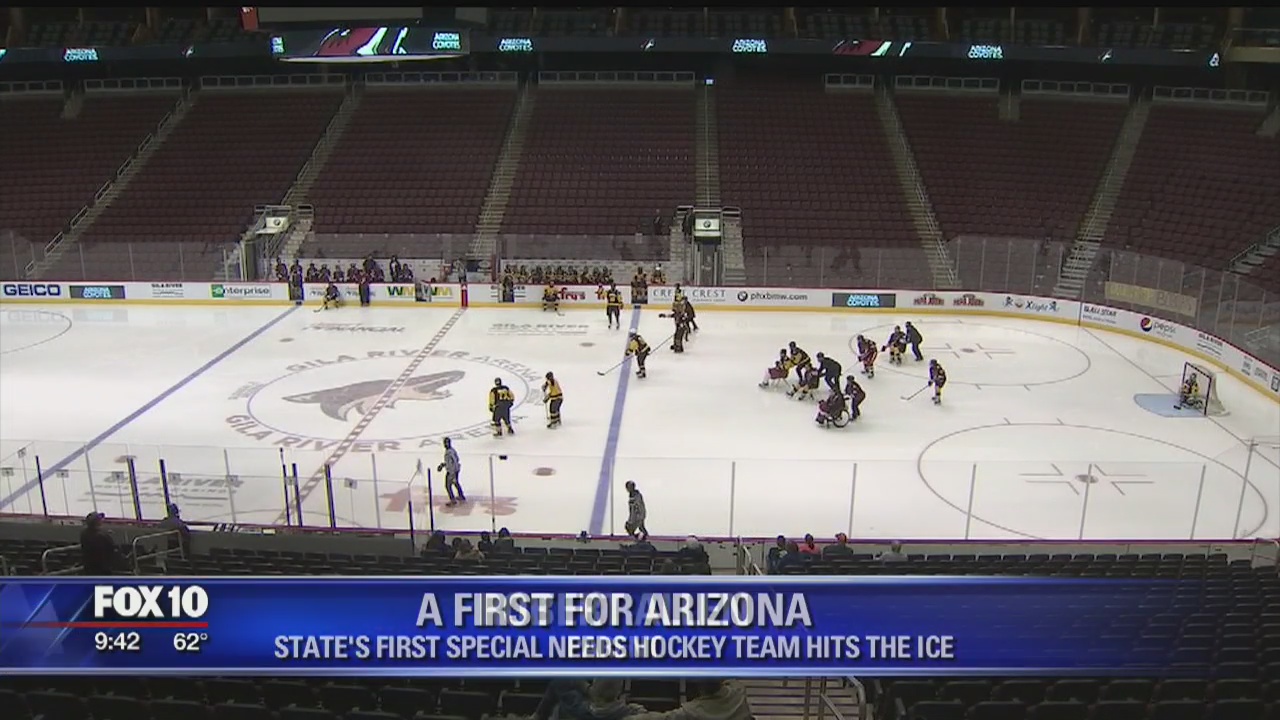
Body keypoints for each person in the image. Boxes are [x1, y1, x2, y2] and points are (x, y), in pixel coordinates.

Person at [437, 437, 466, 506]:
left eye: (446, 443)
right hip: (455, 470)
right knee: (455, 483)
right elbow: (454, 460)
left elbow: (454, 462)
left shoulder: (449, 452)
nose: (445, 444)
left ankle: (453, 500)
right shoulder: (452, 450)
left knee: (448, 485)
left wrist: (453, 473)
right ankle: (461, 495)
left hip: (452, 471)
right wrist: (443, 465)